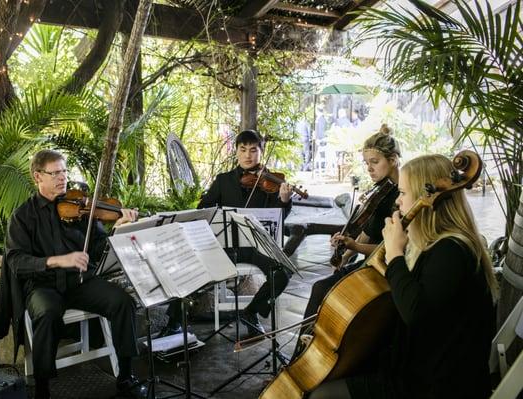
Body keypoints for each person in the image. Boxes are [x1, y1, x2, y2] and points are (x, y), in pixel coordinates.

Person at [308, 154, 498, 398]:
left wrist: (395, 254)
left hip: (437, 384)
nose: (397, 201)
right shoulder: (432, 244)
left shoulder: (452, 250)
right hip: (419, 367)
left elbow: (415, 312)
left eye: (403, 193)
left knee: (322, 395)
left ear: (426, 198)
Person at [0, 149, 146, 399]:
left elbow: (98, 246)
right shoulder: (23, 216)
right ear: (37, 177)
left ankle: (126, 375)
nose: (62, 178)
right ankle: (42, 386)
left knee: (123, 303)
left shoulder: (79, 208)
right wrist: (57, 260)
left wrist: (118, 228)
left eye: (64, 171)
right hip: (43, 286)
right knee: (47, 313)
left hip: (79, 282)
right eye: (55, 173)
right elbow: (16, 261)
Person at [161, 129, 293, 339]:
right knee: (190, 264)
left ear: (261, 152)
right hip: (225, 245)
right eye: (243, 150)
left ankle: (251, 312)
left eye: (253, 150)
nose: (248, 155)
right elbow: (203, 208)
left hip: (255, 247)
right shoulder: (223, 180)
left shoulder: (271, 183)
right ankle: (175, 321)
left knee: (283, 272)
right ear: (237, 153)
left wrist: (284, 201)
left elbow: (278, 217)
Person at [299, 125, 401, 331]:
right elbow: (369, 231)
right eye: (367, 163)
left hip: (387, 267)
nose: (370, 169)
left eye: (375, 162)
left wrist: (353, 246)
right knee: (322, 288)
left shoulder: (400, 197)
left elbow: (390, 248)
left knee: (322, 290)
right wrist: (345, 255)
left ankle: (306, 353)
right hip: (372, 261)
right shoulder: (382, 191)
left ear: (393, 160)